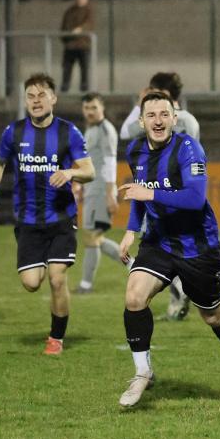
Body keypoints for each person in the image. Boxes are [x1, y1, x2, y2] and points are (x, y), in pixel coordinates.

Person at [116, 91, 220, 407]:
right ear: (141, 121)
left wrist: (149, 194)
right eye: (151, 115)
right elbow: (138, 193)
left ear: (174, 118)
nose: (158, 121)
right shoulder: (135, 150)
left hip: (197, 247)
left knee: (213, 316)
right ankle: (142, 371)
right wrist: (131, 230)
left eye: (164, 114)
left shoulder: (189, 148)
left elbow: (195, 198)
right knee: (134, 297)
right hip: (158, 242)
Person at [0, 73, 95, 355]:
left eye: (42, 95)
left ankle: (56, 338)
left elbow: (89, 171)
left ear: (53, 99)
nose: (36, 100)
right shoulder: (13, 132)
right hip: (28, 221)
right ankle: (53, 313)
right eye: (30, 96)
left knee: (57, 278)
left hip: (61, 219)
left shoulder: (68, 132)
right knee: (31, 283)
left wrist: (69, 173)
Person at [120, 71, 200, 321]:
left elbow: (126, 131)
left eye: (153, 90)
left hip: (169, 203)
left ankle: (183, 291)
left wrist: (139, 106)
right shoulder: (188, 120)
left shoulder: (180, 124)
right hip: (160, 201)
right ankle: (176, 301)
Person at [72, 92, 129, 294]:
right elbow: (90, 162)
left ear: (102, 108)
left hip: (100, 191)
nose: (90, 112)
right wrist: (80, 185)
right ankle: (135, 265)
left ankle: (86, 285)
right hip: (91, 189)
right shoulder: (91, 129)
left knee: (92, 236)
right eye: (86, 108)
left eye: (94, 108)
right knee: (95, 238)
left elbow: (109, 162)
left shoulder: (106, 130)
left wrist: (110, 193)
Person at [60, 0, 93, 93]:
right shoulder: (69, 12)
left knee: (84, 68)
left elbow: (89, 24)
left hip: (83, 46)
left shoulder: (89, 11)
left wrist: (80, 29)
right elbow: (64, 26)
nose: (79, 1)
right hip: (70, 46)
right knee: (67, 67)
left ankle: (84, 88)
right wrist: (65, 37)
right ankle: (65, 87)